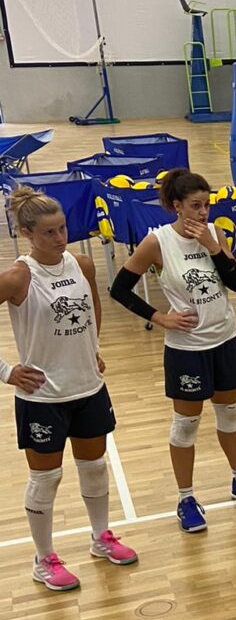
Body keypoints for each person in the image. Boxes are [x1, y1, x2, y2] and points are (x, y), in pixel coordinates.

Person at [110, 168, 236, 533]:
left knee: (229, 412)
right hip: (187, 348)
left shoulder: (215, 233)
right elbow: (119, 289)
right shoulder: (156, 243)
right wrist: (158, 317)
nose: (203, 213)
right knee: (186, 424)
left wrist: (215, 249)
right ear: (175, 206)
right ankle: (186, 498)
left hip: (225, 338)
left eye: (207, 205)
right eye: (196, 206)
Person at [0, 187, 137, 592]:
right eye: (49, 233)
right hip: (42, 397)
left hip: (88, 388)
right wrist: (6, 371)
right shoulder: (17, 276)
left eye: (62, 229)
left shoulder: (81, 263)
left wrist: (92, 348)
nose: (60, 238)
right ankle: (44, 560)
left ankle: (101, 538)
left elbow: (93, 305)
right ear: (27, 233)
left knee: (95, 469)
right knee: (47, 480)